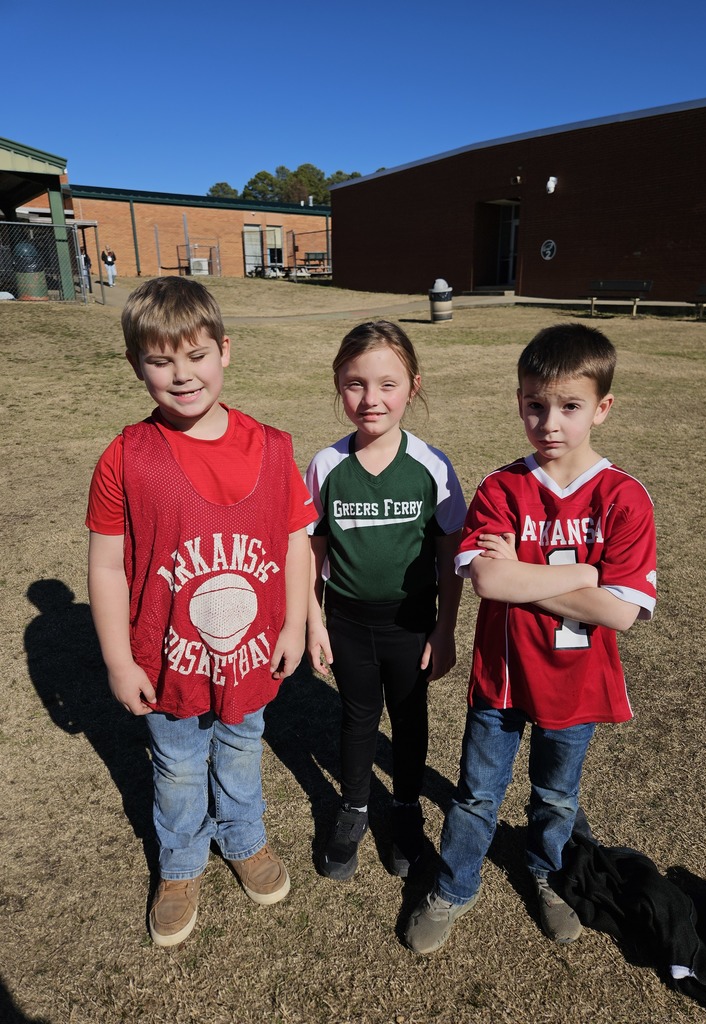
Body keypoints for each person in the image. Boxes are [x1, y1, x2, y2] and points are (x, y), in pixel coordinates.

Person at [405, 323, 657, 954]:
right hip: (503, 679)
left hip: (576, 684)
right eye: (534, 404)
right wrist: (580, 574)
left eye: (570, 407)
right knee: (475, 795)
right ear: (519, 401)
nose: (550, 422)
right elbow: (488, 579)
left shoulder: (624, 498)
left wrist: (525, 576)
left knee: (556, 796)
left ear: (601, 408)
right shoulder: (500, 487)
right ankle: (455, 885)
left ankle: (547, 875)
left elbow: (621, 613)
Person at [86, 276, 314, 947]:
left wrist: (296, 622)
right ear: (137, 366)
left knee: (242, 745)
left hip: (249, 652)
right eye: (160, 361)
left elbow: (296, 540)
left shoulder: (274, 447)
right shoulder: (126, 457)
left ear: (225, 351)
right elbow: (105, 565)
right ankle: (181, 862)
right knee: (180, 764)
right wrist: (119, 659)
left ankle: (244, 838)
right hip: (169, 659)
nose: (181, 376)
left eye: (195, 355)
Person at [305, 320, 466, 881]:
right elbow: (311, 552)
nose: (370, 399)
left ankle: (404, 807)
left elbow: (450, 557)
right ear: (338, 385)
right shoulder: (326, 466)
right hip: (347, 620)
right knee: (356, 718)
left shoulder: (433, 467)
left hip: (412, 622)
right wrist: (312, 622)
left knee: (409, 717)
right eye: (355, 384)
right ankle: (352, 808)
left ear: (413, 387)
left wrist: (444, 631)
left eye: (387, 384)